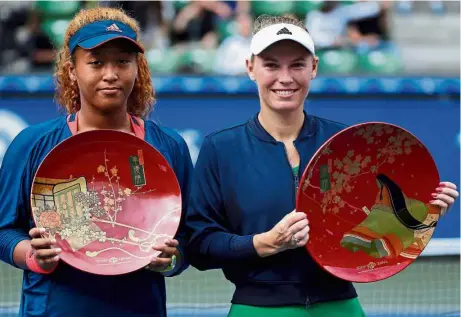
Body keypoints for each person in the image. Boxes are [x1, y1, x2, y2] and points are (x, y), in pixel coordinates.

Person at [185, 14, 459, 317]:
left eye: (297, 64)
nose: (285, 77)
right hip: (257, 308)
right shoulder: (220, 148)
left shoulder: (346, 143)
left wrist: (417, 215)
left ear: (314, 67)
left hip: (340, 306)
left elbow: (372, 234)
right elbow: (200, 245)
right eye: (272, 65)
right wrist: (264, 243)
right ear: (251, 68)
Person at [0, 7, 193, 317]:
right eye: (96, 62)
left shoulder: (169, 147)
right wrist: (34, 256)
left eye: (122, 62)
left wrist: (172, 259)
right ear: (72, 70)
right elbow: (3, 230)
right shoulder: (32, 144)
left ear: (137, 68)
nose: (111, 74)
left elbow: (189, 236)